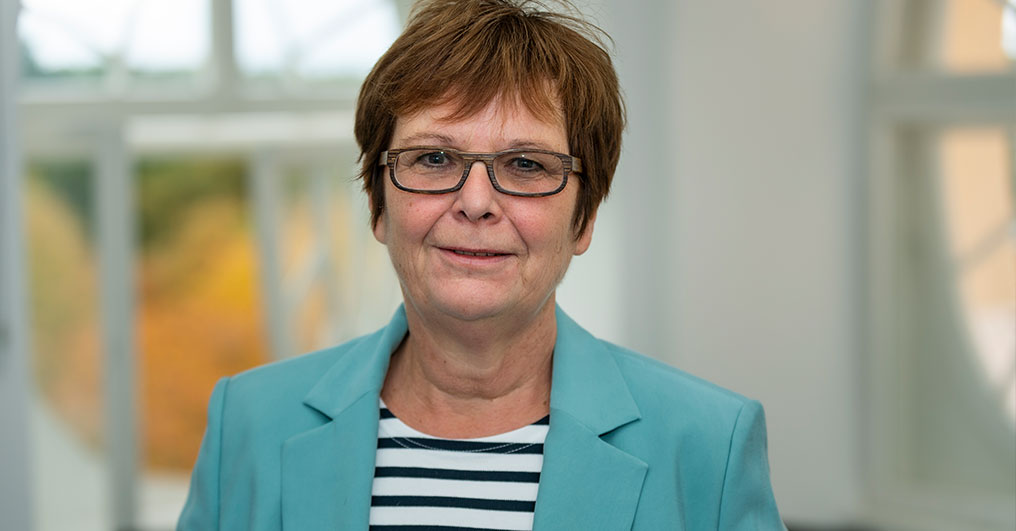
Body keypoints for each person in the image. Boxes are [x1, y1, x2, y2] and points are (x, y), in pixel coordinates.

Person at [178, 0, 785, 529]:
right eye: (433, 158)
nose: (475, 202)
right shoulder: (247, 424)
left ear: (584, 219)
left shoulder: (709, 446)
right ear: (377, 205)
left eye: (526, 165)